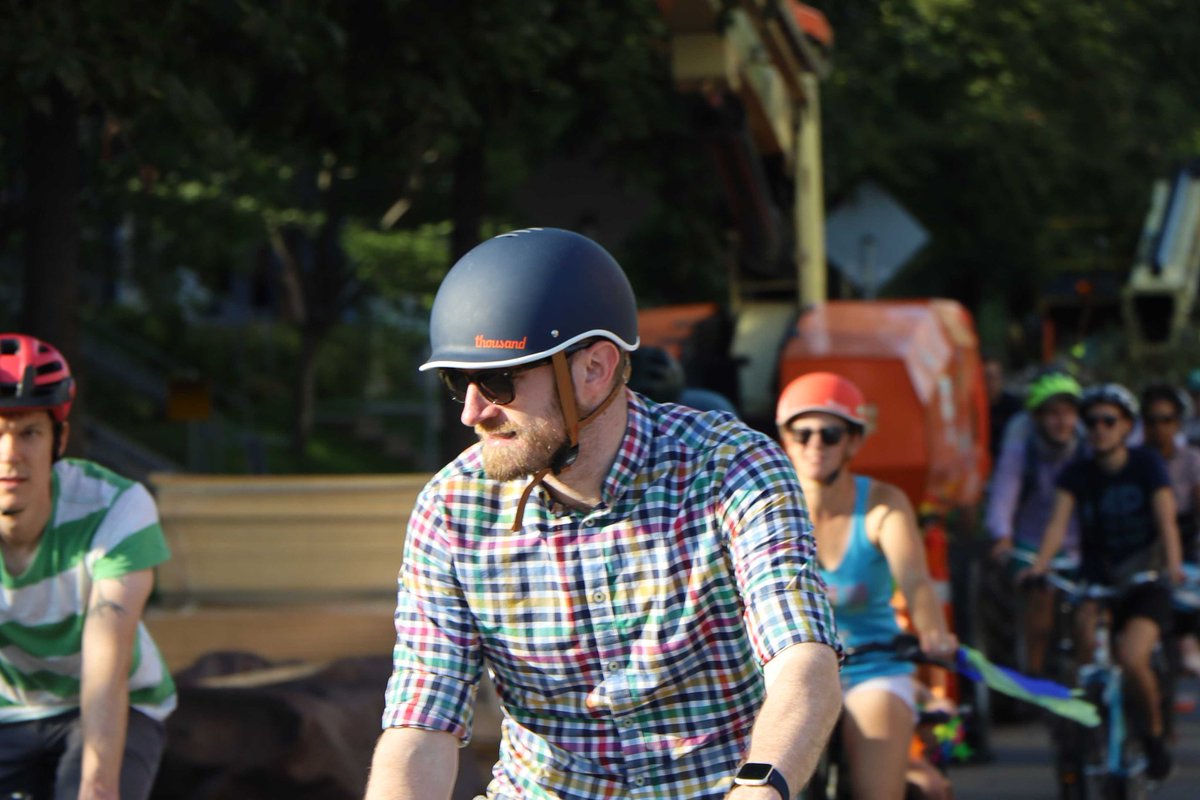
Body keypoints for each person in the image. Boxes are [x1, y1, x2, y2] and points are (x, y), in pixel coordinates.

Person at [364, 228, 842, 800]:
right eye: (455, 381)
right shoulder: (449, 510)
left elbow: (802, 661)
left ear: (595, 368)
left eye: (496, 381)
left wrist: (762, 786)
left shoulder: (731, 468)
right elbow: (421, 719)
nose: (472, 412)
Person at [0, 334, 176, 799]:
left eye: (29, 432)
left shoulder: (116, 507)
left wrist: (96, 789)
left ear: (60, 439)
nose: (10, 453)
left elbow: (106, 665)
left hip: (114, 704)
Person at [775, 372, 957, 800]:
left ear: (854, 442)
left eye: (830, 434)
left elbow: (914, 579)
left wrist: (932, 632)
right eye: (801, 433)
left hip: (871, 668)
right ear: (785, 439)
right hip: (788, 675)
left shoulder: (882, 503)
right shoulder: (771, 506)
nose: (814, 445)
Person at [1021, 382, 1184, 781]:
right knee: (1082, 660)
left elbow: (1166, 521)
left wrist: (1174, 567)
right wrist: (1041, 565)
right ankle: (1083, 738)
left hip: (1144, 581)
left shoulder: (1146, 465)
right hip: (1096, 582)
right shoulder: (1077, 473)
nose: (1099, 429)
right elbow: (1058, 523)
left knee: (1131, 658)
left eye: (1109, 421)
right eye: (1091, 422)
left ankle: (1152, 737)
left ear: (1127, 426)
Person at [984, 370, 1084, 677]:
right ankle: (1034, 675)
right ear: (1038, 418)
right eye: (1053, 413)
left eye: (1068, 412)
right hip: (1031, 543)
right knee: (1040, 598)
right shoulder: (1022, 449)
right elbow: (1003, 494)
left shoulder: (1088, 448)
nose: (1061, 421)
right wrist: (1002, 537)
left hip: (1080, 544)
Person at [1140, 383, 1200, 678]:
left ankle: (1187, 644)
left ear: (1177, 423)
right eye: (1151, 420)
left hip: (1183, 544)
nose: (1158, 428)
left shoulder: (1191, 459)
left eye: (1166, 420)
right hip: (1143, 549)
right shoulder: (1133, 459)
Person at [982, 356, 1022, 465]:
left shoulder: (1014, 406)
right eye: (986, 378)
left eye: (994, 378)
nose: (990, 384)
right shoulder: (971, 408)